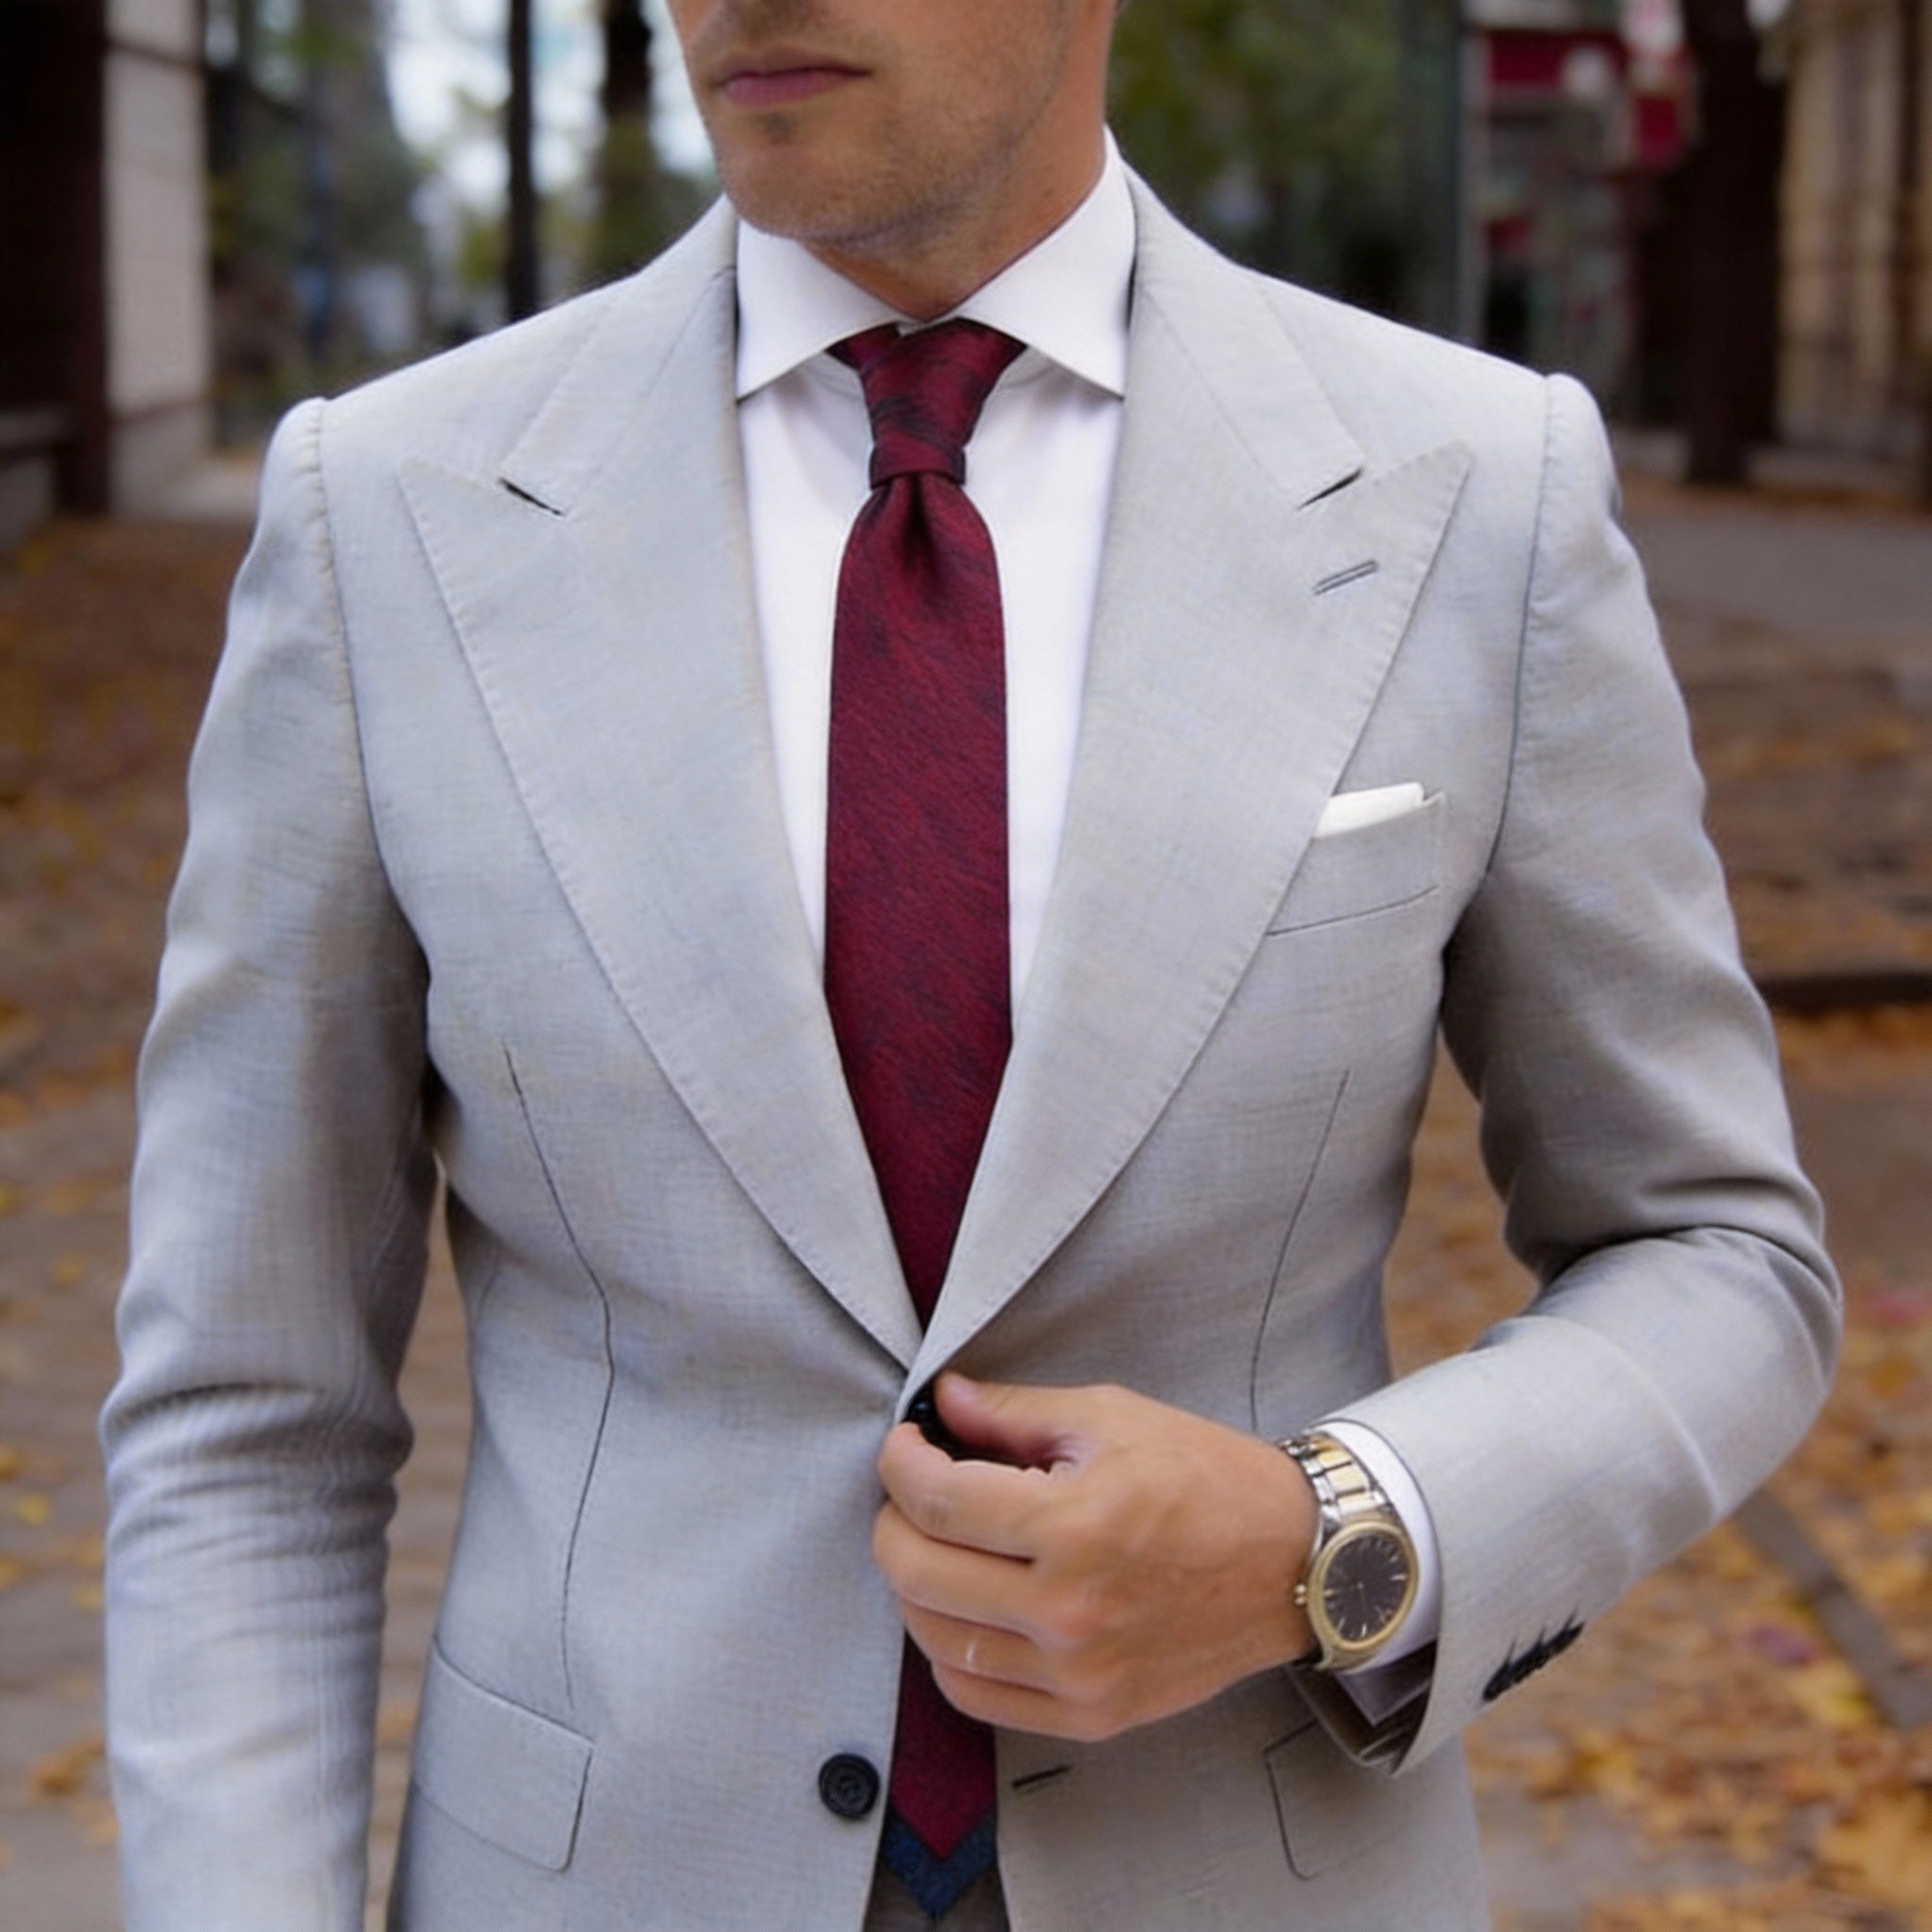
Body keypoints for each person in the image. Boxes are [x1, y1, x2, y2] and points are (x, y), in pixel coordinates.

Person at [100, 1, 1840, 1927]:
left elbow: (1714, 1250)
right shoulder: (388, 517)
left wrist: (1321, 1535)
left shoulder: (1470, 489)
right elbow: (244, 1414)